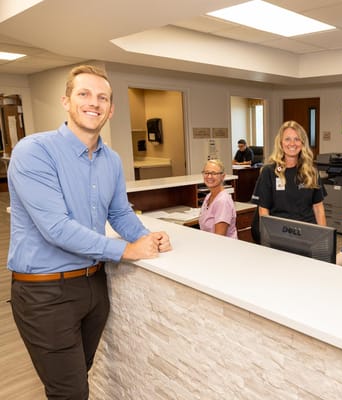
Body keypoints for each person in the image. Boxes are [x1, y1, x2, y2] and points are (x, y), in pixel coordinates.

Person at [7, 64, 173, 399]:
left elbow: (119, 213)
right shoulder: (34, 152)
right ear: (66, 101)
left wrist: (144, 237)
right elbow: (56, 227)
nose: (93, 102)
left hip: (94, 286)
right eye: (83, 94)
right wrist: (127, 251)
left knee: (76, 381)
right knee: (70, 392)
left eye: (102, 98)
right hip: (46, 294)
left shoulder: (110, 160)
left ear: (110, 110)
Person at [251, 120, 326, 242]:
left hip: (307, 235)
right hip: (279, 235)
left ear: (302, 143)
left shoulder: (311, 171)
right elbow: (263, 209)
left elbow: (318, 207)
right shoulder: (269, 172)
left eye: (297, 139)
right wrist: (268, 238)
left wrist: (323, 237)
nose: (292, 143)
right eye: (287, 139)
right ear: (281, 143)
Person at [198, 159, 238, 238]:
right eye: (206, 173)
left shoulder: (223, 201)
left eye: (214, 173)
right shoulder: (208, 196)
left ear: (222, 177)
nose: (209, 176)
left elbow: (219, 237)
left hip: (223, 247)